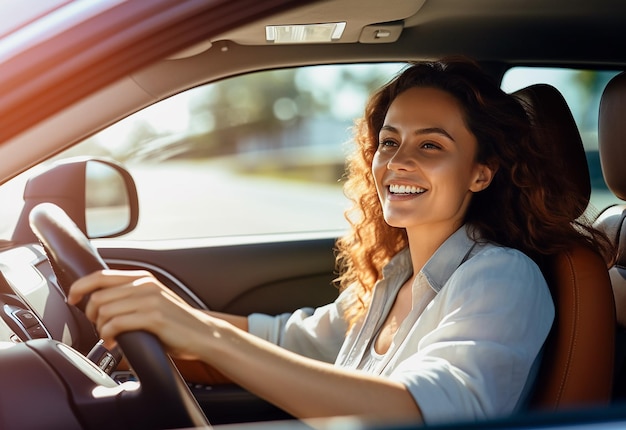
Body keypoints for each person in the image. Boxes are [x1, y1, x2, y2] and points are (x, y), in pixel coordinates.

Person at [68, 58, 613, 425]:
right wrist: (156, 314)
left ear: (481, 173)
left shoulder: (501, 276)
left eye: (431, 145)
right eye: (390, 141)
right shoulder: (398, 275)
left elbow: (422, 411)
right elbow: (285, 341)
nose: (398, 161)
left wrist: (202, 331)